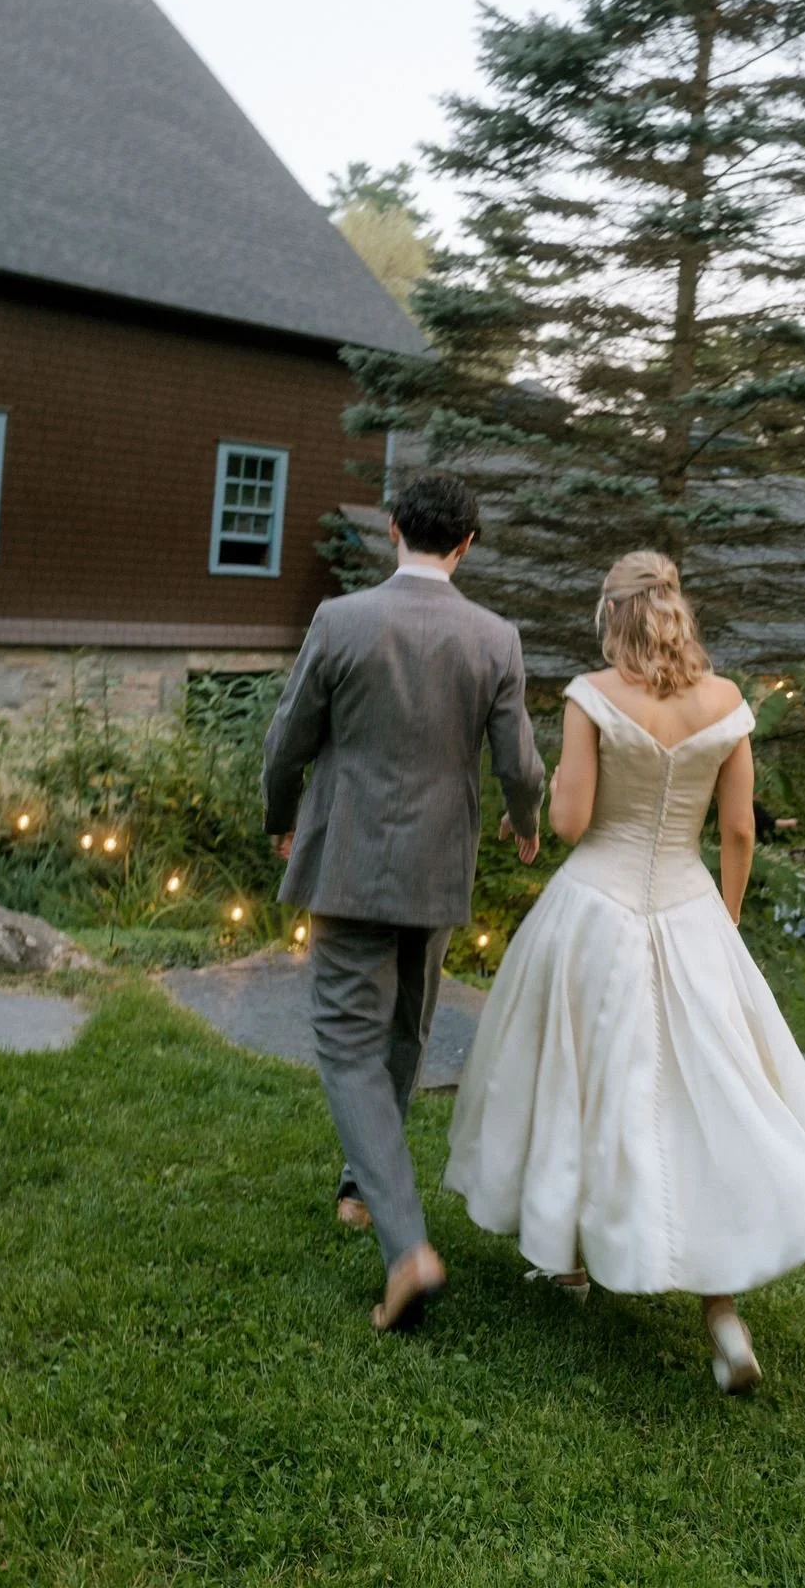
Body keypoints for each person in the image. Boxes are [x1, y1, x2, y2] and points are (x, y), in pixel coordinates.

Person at [446, 552, 805, 1393]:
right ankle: (721, 1315)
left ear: (610, 615)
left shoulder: (591, 697)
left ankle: (569, 1261)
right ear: (675, 612)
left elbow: (570, 821)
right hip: (691, 907)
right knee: (703, 1099)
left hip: (597, 907)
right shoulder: (728, 703)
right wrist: (722, 920)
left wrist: (556, 780)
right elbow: (738, 832)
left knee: (581, 1084)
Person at [261, 473, 544, 1334]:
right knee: (405, 1031)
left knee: (347, 1046)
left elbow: (288, 740)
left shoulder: (340, 621)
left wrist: (280, 817)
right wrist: (525, 824)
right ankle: (360, 1186)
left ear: (393, 531)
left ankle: (406, 1248)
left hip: (348, 860)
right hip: (437, 870)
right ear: (465, 544)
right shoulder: (495, 638)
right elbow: (521, 766)